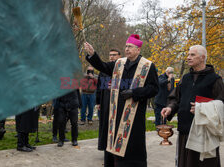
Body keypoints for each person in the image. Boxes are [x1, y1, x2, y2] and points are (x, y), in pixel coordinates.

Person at [84, 34, 159, 167]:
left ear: (138, 49)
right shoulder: (119, 63)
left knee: (132, 145)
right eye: (126, 46)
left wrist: (134, 93)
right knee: (114, 141)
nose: (127, 49)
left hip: (134, 114)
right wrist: (93, 54)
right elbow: (102, 66)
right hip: (116, 112)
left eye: (130, 46)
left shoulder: (148, 66)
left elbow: (154, 88)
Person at [161, 45, 224, 167]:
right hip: (185, 129)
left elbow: (221, 103)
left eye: (192, 55)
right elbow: (176, 98)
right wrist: (170, 108)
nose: (188, 57)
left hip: (204, 131)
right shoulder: (185, 78)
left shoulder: (215, 79)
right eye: (188, 55)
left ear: (202, 58)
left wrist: (203, 109)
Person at [96, 48, 121, 166]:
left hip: (119, 103)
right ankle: (106, 148)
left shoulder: (122, 69)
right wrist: (98, 102)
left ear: (119, 56)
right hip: (106, 102)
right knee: (106, 126)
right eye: (110, 55)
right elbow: (99, 87)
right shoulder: (104, 70)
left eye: (114, 55)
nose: (111, 57)